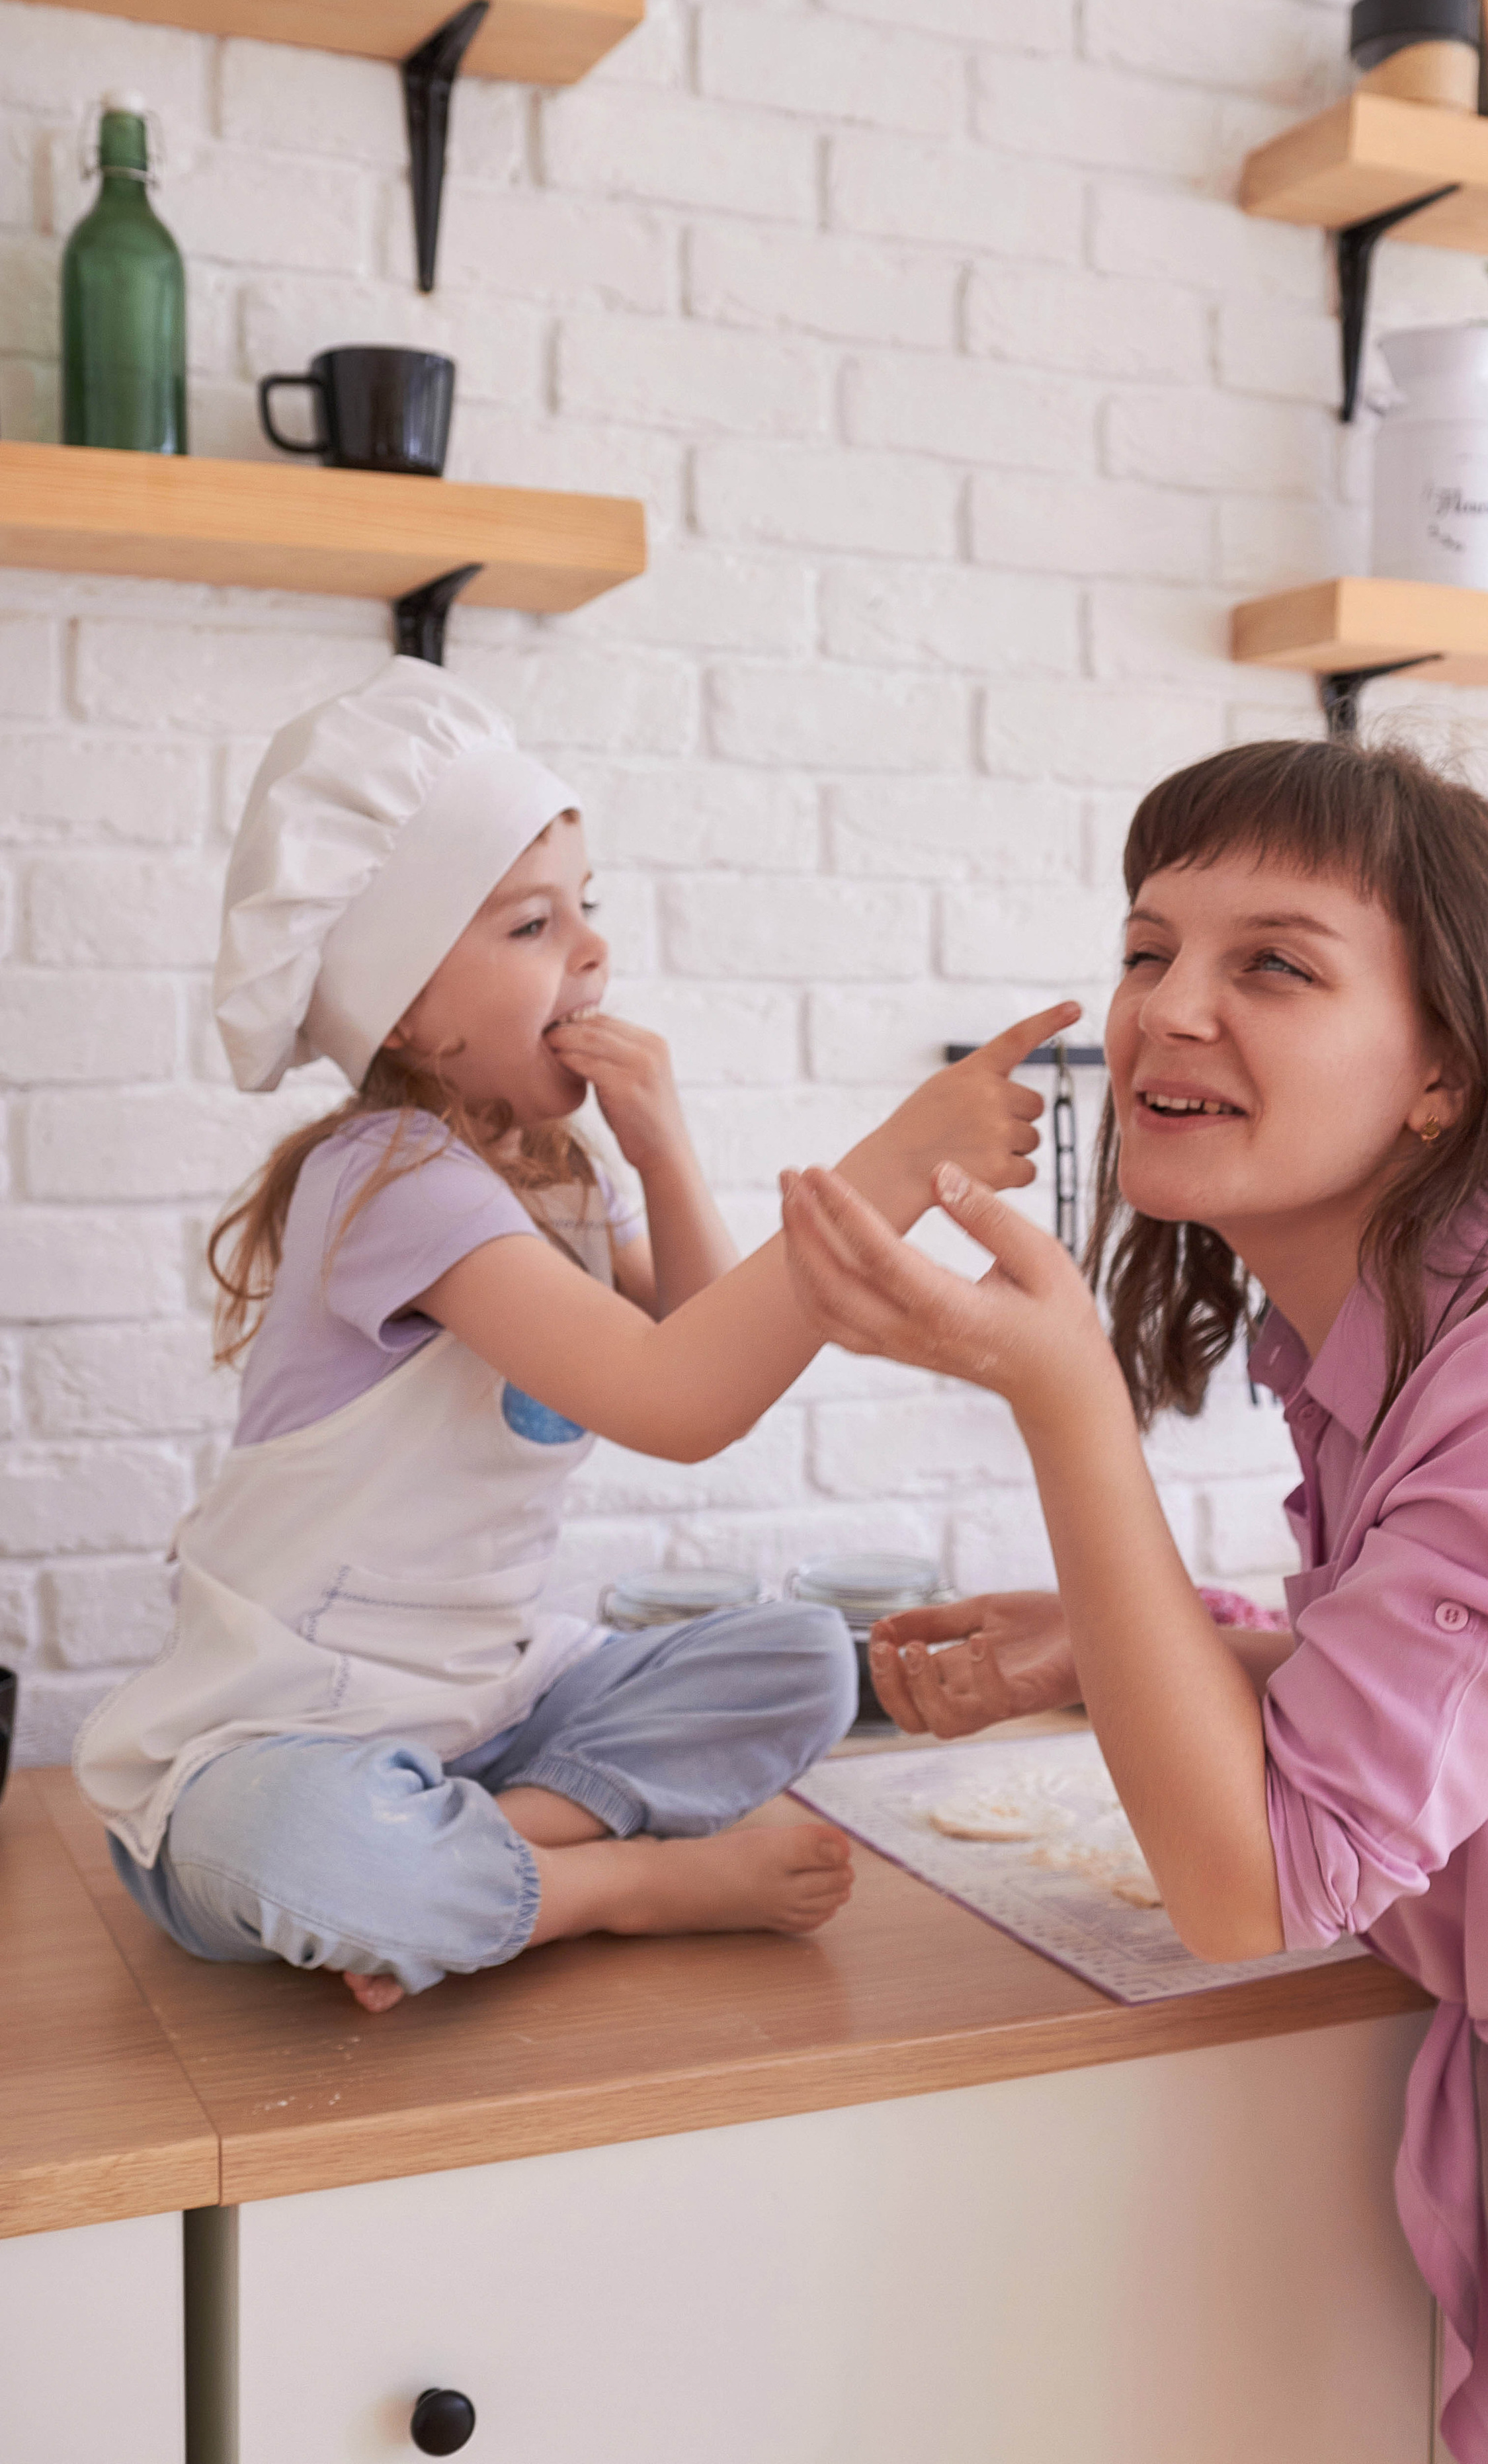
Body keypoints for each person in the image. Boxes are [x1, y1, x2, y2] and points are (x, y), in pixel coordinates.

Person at [778, 737, 1488, 2464]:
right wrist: (1140, 1639)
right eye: (1147, 950)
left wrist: (1063, 1395)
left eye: (1270, 961)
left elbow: (1265, 1878)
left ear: (1444, 1067)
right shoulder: (1399, 1326)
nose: (1166, 1012)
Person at [76, 657, 1074, 2015]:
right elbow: (680, 1401)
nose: (591, 951)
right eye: (532, 924)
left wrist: (659, 1143)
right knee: (307, 1855)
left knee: (802, 1661)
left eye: (584, 911)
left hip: (486, 1720)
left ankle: (473, 1868)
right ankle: (607, 1888)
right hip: (290, 1737)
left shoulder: (556, 1172)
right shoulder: (389, 1179)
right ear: (407, 1002)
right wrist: (892, 1163)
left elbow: (716, 1338)